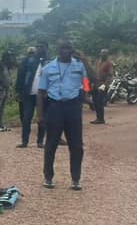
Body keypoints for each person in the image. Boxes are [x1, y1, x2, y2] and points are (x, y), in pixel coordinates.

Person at [37, 40, 90, 190]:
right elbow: (41, 92)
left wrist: (85, 94)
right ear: (58, 50)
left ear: (72, 50)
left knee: (76, 145)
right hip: (55, 107)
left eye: (69, 48)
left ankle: (76, 179)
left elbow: (87, 81)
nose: (66, 51)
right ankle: (48, 177)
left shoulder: (79, 66)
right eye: (63, 48)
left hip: (73, 107)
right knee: (51, 144)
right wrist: (40, 115)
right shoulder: (48, 68)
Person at [91, 49, 114, 125]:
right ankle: (98, 117)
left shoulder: (109, 64)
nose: (103, 55)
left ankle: (101, 118)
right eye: (102, 53)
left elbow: (110, 75)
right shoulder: (98, 62)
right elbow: (94, 72)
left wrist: (105, 85)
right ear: (100, 54)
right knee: (95, 101)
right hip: (96, 84)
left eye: (105, 54)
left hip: (103, 84)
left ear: (107, 55)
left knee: (99, 101)